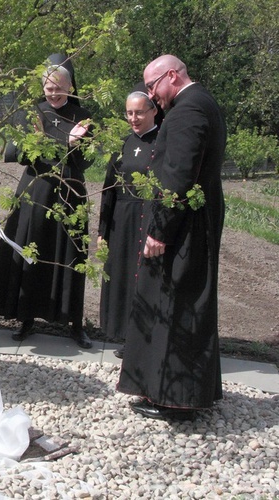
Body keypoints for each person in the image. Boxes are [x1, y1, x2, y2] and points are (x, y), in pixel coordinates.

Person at [118, 55, 227, 420]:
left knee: (175, 306)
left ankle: (176, 401)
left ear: (172, 76)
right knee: (183, 305)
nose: (151, 95)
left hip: (184, 226)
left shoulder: (187, 112)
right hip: (197, 219)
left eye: (153, 86)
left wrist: (160, 230)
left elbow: (179, 175)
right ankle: (173, 393)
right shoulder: (203, 101)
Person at [0, 53, 94, 349]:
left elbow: (83, 163)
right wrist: (64, 144)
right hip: (34, 190)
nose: (53, 93)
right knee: (30, 250)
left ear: (70, 86)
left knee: (70, 255)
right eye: (48, 87)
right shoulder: (31, 113)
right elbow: (20, 154)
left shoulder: (83, 117)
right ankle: (25, 317)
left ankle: (74, 323)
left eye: (59, 87)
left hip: (70, 194)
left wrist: (61, 146)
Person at [97, 83, 163, 359]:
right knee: (124, 277)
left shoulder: (163, 142)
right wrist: (102, 230)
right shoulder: (122, 144)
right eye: (129, 113)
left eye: (139, 113)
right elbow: (108, 188)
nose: (134, 119)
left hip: (148, 217)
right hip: (122, 221)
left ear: (154, 111)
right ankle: (125, 335)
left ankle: (147, 337)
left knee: (145, 279)